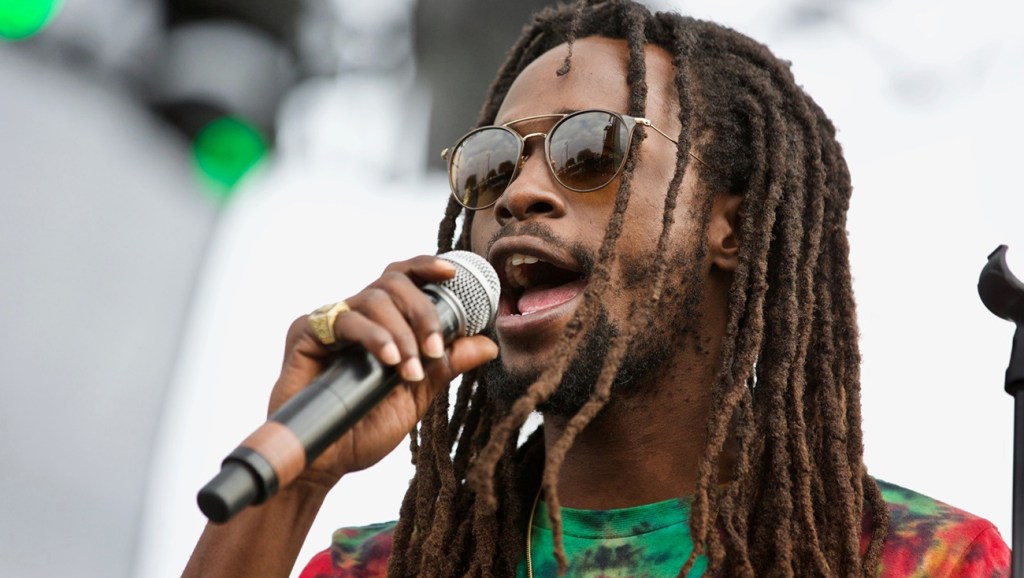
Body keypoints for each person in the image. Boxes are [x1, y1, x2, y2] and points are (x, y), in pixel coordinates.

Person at [183, 1, 1011, 576]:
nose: (517, 194)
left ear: (729, 224)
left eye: (588, 150)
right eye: (491, 164)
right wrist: (298, 482)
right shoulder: (387, 569)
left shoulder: (919, 563)